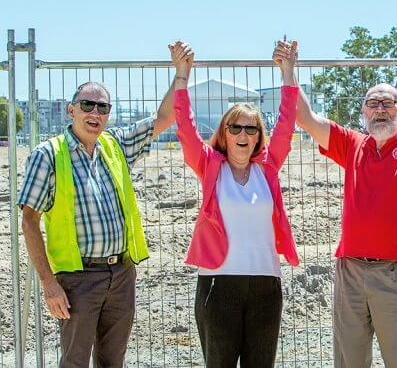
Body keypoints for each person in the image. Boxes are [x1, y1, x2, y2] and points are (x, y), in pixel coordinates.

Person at [273, 38, 397, 367]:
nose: (380, 109)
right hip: (350, 272)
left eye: (388, 103)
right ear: (363, 111)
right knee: (349, 361)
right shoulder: (352, 144)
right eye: (373, 103)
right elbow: (306, 118)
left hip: (396, 273)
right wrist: (289, 70)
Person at [18, 41, 190, 367]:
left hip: (121, 274)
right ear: (71, 110)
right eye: (87, 105)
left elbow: (165, 117)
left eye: (102, 108)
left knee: (114, 361)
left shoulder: (115, 146)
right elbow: (29, 221)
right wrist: (49, 285)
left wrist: (181, 73)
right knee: (75, 361)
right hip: (78, 277)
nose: (95, 113)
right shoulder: (49, 154)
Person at [171, 42, 300, 367]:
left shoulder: (267, 167)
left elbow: (287, 122)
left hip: (265, 285)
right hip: (219, 283)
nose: (243, 133)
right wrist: (182, 76)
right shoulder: (210, 165)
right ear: (225, 134)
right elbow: (185, 128)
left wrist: (287, 71)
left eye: (251, 128)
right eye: (235, 127)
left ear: (258, 136)